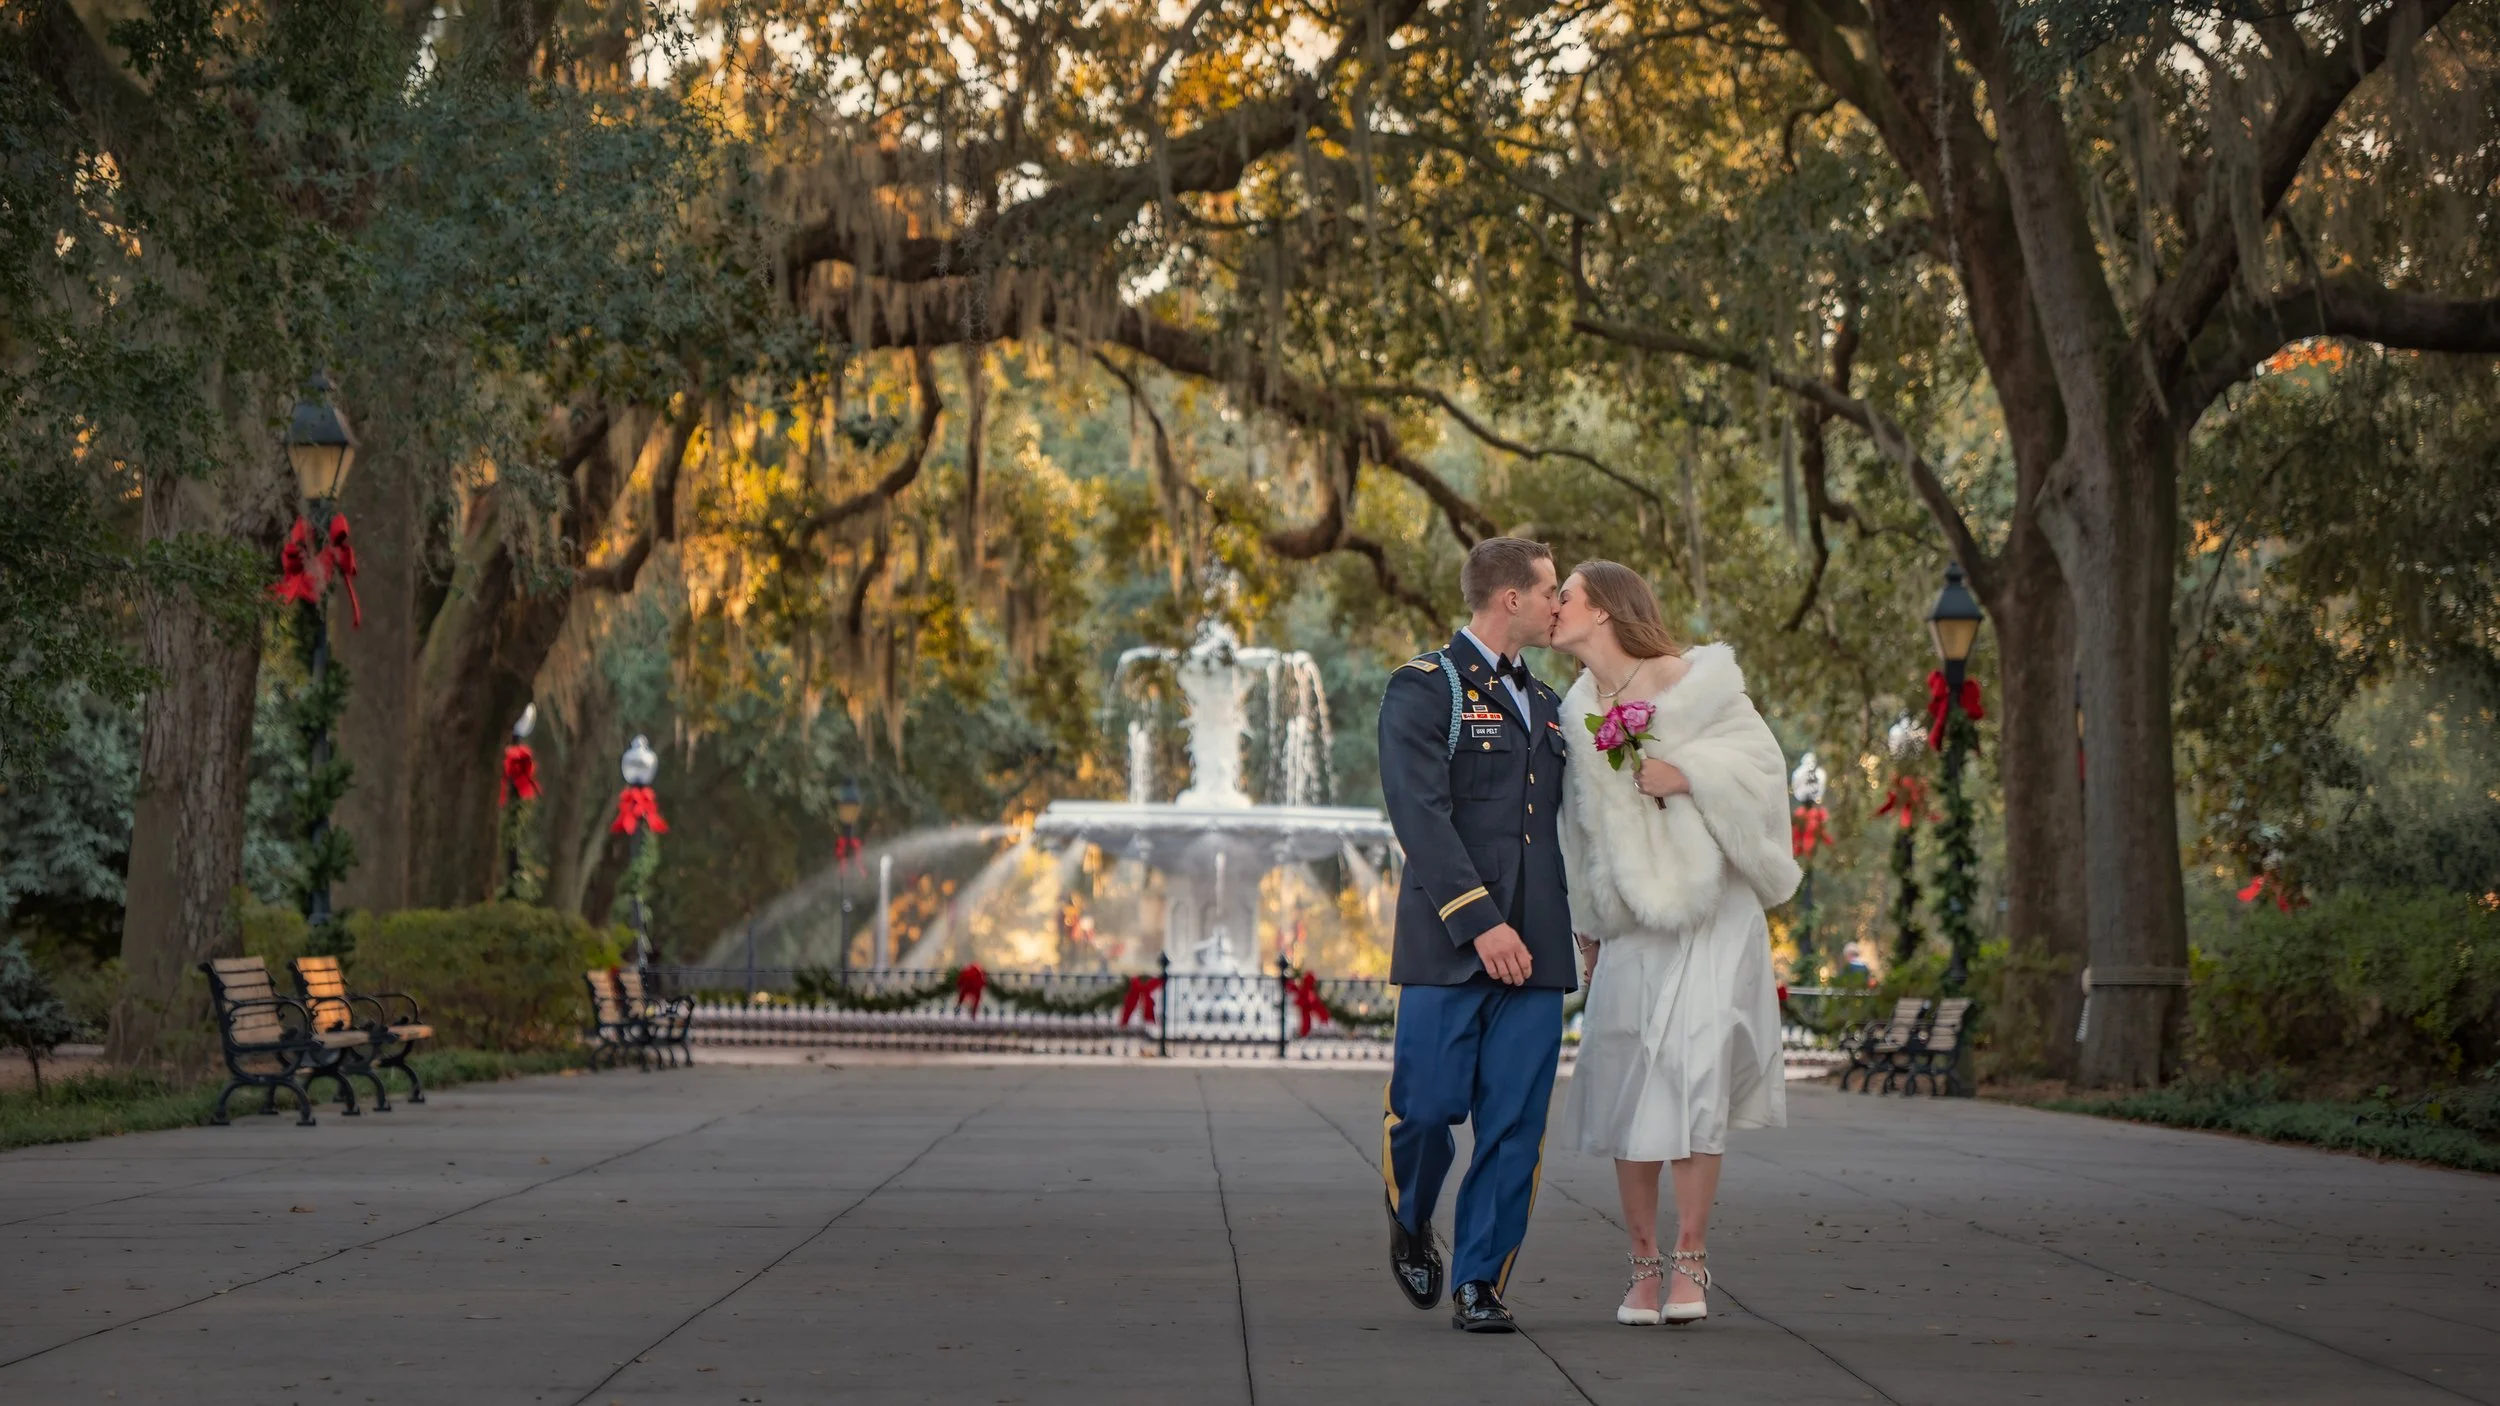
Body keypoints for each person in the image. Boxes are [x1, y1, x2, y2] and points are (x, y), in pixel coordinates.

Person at [1549, 560, 1799, 1326]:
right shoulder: (1574, 707)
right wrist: (1586, 922)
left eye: (1566, 596)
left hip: (1711, 910)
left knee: (1695, 1072)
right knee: (1631, 1077)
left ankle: (1691, 1260)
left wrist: (1684, 773)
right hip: (1632, 920)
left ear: (1605, 610)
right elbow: (1575, 824)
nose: (1554, 607)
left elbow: (1764, 769)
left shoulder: (1697, 679)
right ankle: (1642, 1267)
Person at [1375, 536, 1574, 1333]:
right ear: (1511, 599)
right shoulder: (1426, 688)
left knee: (1515, 1126)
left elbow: (1573, 832)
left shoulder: (1556, 707)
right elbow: (1418, 814)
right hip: (1448, 946)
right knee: (1425, 1110)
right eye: (1553, 589)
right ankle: (1411, 1214)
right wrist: (1482, 923)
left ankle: (1481, 1282)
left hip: (1541, 950)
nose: (1562, 603)